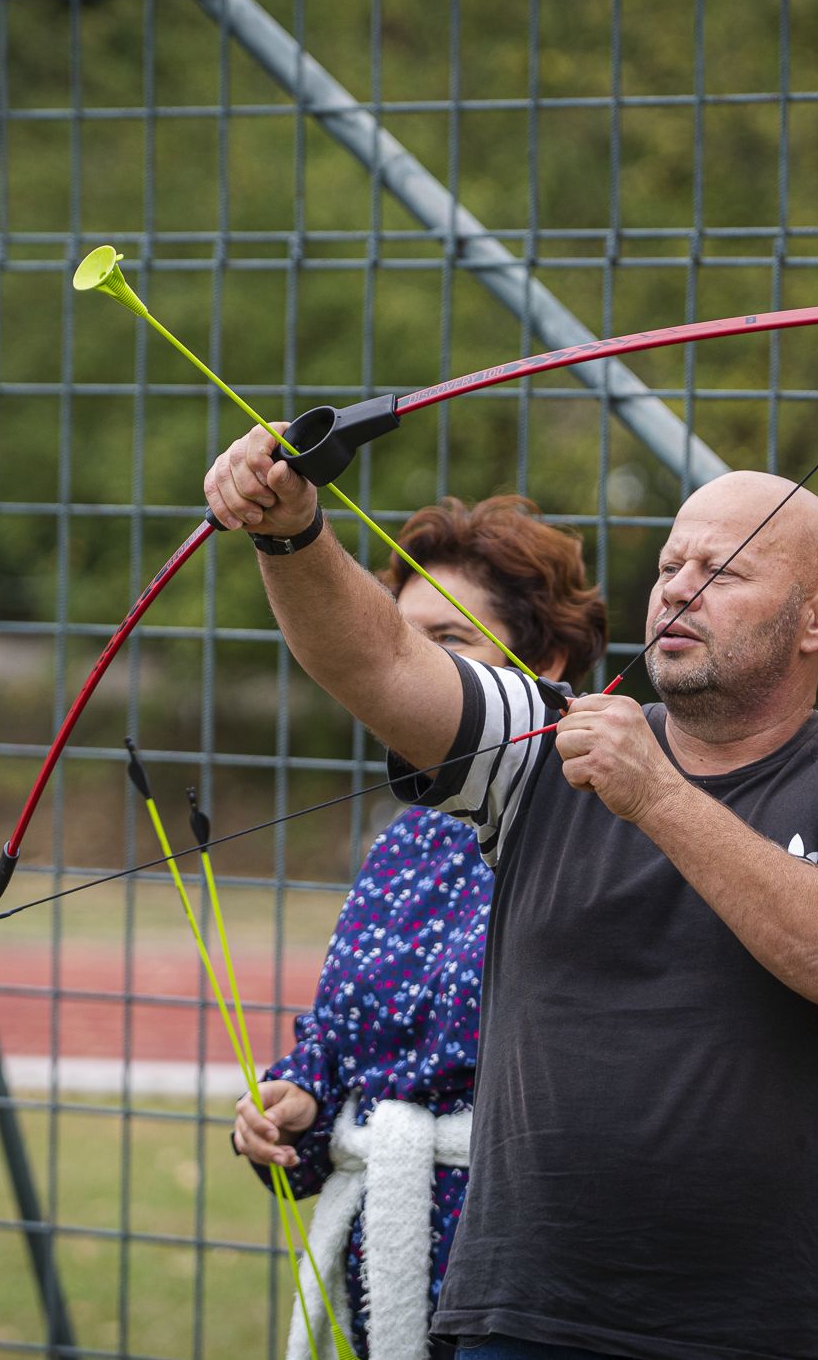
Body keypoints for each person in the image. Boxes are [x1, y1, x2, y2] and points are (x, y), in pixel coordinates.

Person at [207, 426, 818, 1360]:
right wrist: (291, 529)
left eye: (725, 570)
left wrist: (658, 795)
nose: (680, 588)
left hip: (779, 1328)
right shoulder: (546, 744)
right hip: (524, 1319)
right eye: (670, 565)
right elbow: (382, 663)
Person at [230, 495, 608, 1360]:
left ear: (546, 659)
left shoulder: (607, 818)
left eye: (450, 640)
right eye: (398, 639)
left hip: (535, 1288)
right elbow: (337, 1044)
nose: (408, 667)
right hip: (388, 1276)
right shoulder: (405, 840)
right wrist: (296, 1104)